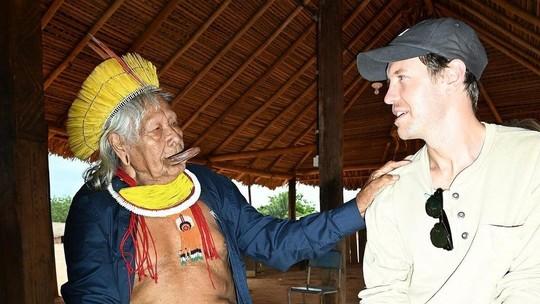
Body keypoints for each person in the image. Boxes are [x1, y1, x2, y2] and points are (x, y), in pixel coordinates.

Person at [60, 42, 406, 303]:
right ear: (120, 145)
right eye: (156, 130)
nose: (175, 136)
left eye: (174, 123)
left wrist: (358, 207)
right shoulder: (96, 207)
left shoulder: (210, 187)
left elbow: (275, 243)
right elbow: (94, 296)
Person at [355, 17, 540, 303]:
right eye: (389, 81)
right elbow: (384, 294)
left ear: (451, 75)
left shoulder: (531, 160)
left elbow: (530, 282)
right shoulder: (390, 191)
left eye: (402, 77)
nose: (389, 96)